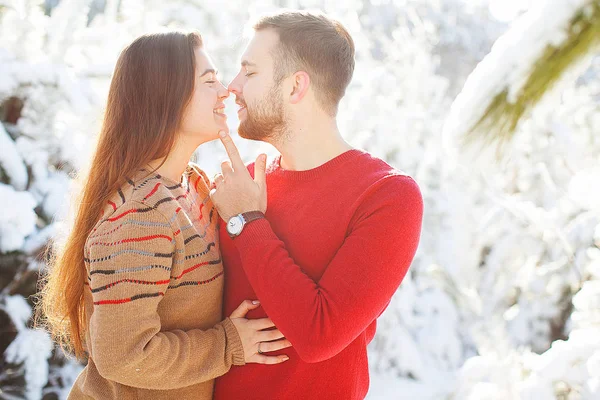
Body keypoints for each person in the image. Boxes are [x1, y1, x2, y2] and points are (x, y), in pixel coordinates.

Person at [37, 31, 290, 400]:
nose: (225, 91)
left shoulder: (194, 186)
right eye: (209, 81)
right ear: (166, 97)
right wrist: (227, 345)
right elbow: (122, 357)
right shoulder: (139, 217)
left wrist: (248, 213)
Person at [209, 11, 424, 400]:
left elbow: (319, 336)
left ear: (296, 87)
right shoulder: (247, 185)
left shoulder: (388, 196)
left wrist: (247, 220)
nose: (232, 86)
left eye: (250, 73)